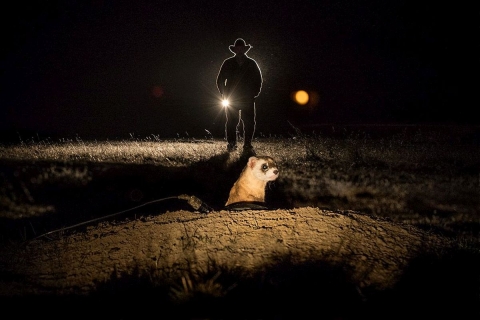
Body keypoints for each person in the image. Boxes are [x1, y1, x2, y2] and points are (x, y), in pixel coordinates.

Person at [216, 38, 263, 154]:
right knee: (232, 121)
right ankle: (232, 144)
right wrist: (224, 93)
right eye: (238, 48)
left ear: (244, 49)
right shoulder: (228, 63)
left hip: (247, 97)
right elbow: (220, 80)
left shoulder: (251, 63)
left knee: (249, 122)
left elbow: (258, 80)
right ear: (235, 50)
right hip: (233, 97)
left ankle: (247, 144)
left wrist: (255, 93)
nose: (240, 50)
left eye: (242, 48)